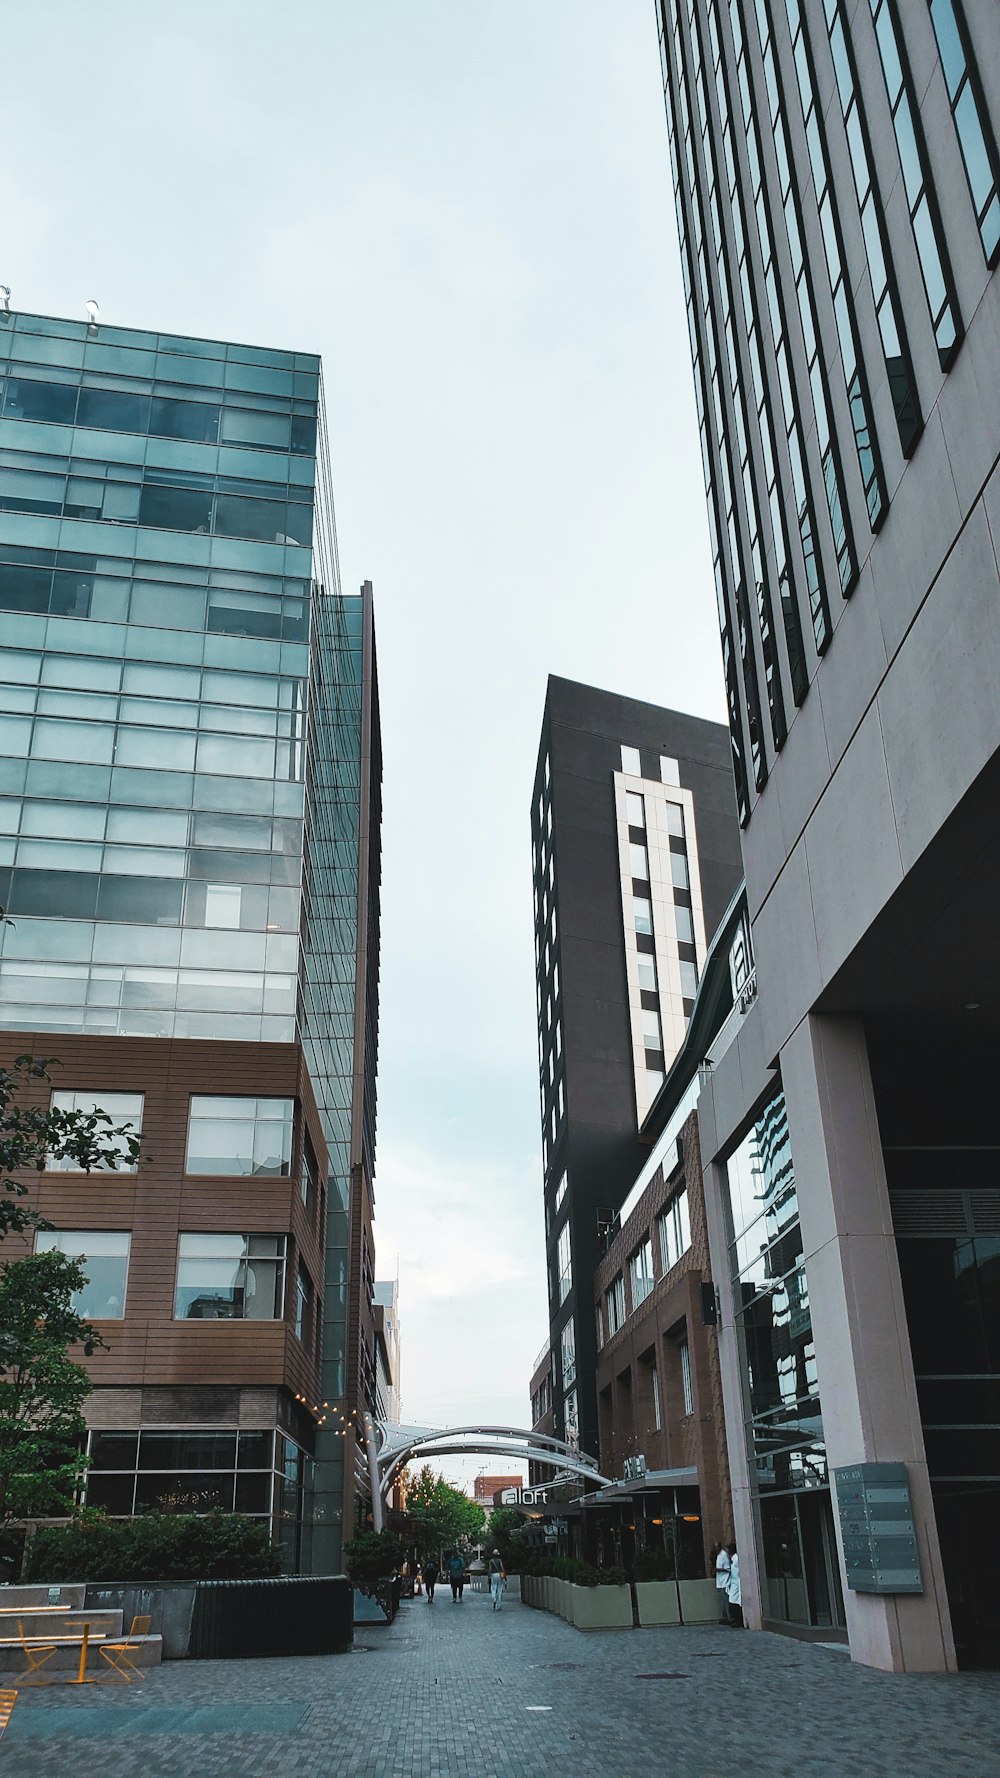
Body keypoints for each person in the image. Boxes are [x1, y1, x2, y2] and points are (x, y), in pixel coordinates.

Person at [712, 1542, 731, 1624]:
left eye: (717, 1547)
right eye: (715, 1547)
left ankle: (729, 1618)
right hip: (720, 1582)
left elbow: (728, 1568)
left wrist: (718, 1570)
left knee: (726, 1601)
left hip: (725, 1581)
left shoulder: (724, 1555)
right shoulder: (718, 1555)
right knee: (723, 1601)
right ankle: (725, 1617)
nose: (716, 1549)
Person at [725, 1543, 742, 1628]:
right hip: (734, 1582)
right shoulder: (733, 1558)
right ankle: (735, 1619)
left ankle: (738, 1620)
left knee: (735, 1601)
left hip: (737, 1582)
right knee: (732, 1600)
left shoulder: (736, 1558)